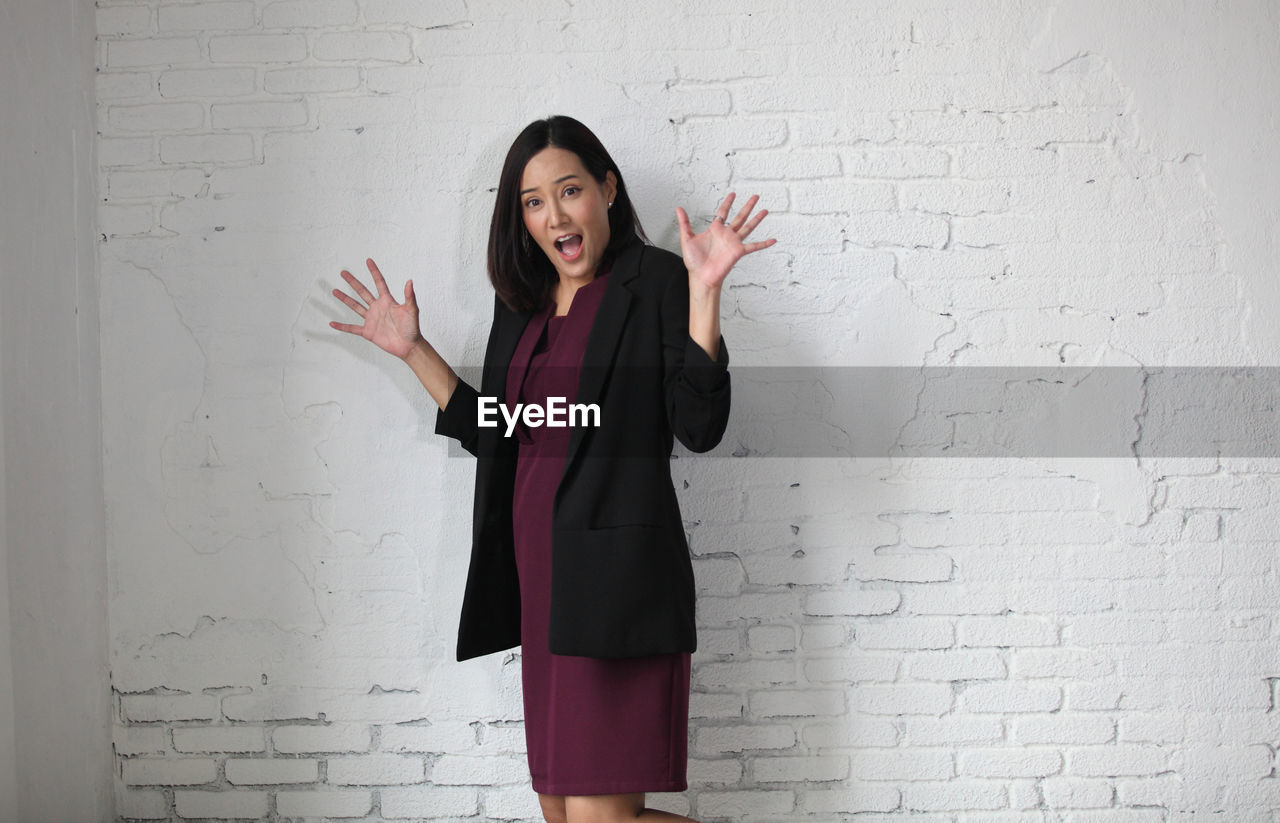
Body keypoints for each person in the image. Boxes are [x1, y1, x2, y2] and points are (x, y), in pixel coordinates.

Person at [329, 115, 775, 823]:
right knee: (561, 814)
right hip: (543, 595)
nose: (554, 214)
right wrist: (415, 350)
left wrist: (706, 294)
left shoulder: (658, 280)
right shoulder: (524, 309)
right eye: (533, 201)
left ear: (606, 188)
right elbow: (505, 436)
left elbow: (699, 426)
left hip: (618, 592)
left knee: (597, 820)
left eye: (569, 190)